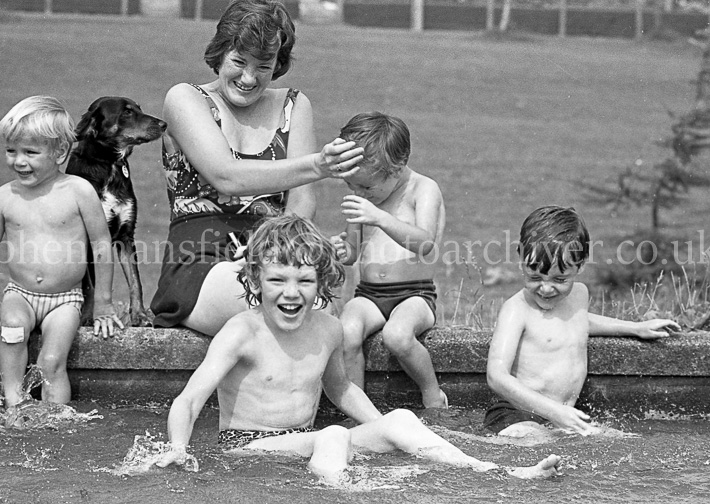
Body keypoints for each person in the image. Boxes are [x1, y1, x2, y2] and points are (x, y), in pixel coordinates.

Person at [156, 215, 561, 483]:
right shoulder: (242, 331)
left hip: (304, 441)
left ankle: (500, 471)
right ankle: (346, 491)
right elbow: (189, 399)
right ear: (255, 279)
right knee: (332, 434)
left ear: (322, 282)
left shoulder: (329, 328)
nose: (291, 293)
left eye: (304, 281)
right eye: (277, 280)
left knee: (400, 418)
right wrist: (177, 447)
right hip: (246, 448)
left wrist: (382, 425)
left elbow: (340, 388)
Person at [149, 0, 364, 336]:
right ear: (219, 54)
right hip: (199, 261)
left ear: (278, 64)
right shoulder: (185, 98)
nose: (248, 78)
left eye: (263, 66)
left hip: (275, 255)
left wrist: (273, 251)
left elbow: (302, 204)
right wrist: (318, 164)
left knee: (318, 308)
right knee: (278, 305)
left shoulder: (294, 105)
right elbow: (226, 176)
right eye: (238, 62)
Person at [0, 96, 123, 413]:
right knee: (12, 334)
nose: (19, 161)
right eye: (11, 151)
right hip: (19, 294)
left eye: (31, 152)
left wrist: (102, 303)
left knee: (51, 362)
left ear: (60, 153)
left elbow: (102, 245)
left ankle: (55, 421)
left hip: (65, 300)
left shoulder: (79, 192)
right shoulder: (5, 198)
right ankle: (12, 403)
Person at [485, 205, 680, 438]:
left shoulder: (579, 295)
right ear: (520, 257)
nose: (546, 287)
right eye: (534, 276)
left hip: (561, 418)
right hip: (515, 415)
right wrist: (556, 412)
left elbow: (578, 321)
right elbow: (496, 376)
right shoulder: (517, 309)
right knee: (531, 439)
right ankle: (532, 471)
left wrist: (636, 328)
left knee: (625, 440)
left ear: (581, 264)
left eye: (559, 278)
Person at [329, 112, 447, 409]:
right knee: (347, 331)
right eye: (351, 185)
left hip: (415, 293)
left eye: (366, 187)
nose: (358, 193)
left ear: (397, 168)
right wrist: (341, 251)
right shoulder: (365, 197)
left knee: (397, 336)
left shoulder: (423, 189)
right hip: (369, 294)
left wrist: (379, 218)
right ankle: (359, 407)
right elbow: (352, 252)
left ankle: (432, 393)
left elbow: (425, 242)